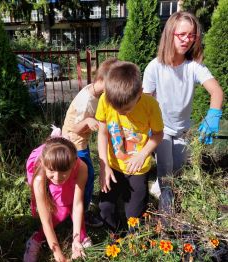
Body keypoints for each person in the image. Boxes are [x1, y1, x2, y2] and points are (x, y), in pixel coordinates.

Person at [142, 11, 224, 217]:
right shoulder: (154, 67)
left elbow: (216, 91)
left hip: (183, 130)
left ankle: (162, 190)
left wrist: (213, 114)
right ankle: (167, 215)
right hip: (160, 130)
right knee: (165, 172)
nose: (187, 40)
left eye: (192, 36)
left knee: (177, 170)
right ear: (170, 34)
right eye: (183, 35)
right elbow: (145, 101)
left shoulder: (193, 66)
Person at [96, 61, 164, 232]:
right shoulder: (105, 99)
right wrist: (103, 165)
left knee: (134, 215)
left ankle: (134, 243)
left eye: (125, 109)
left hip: (137, 169)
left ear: (139, 93)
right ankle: (116, 238)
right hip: (113, 165)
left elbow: (158, 134)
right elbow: (103, 133)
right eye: (116, 109)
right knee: (105, 208)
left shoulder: (151, 105)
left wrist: (143, 155)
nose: (120, 113)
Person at [62, 58, 119, 227]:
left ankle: (77, 205)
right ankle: (82, 212)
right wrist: (88, 121)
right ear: (103, 80)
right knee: (87, 177)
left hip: (81, 142)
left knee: (84, 177)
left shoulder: (95, 91)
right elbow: (76, 128)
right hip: (75, 143)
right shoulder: (86, 100)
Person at [24, 131, 92, 262]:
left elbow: (77, 204)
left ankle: (80, 237)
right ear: (44, 165)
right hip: (44, 171)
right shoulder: (39, 177)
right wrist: (58, 255)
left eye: (63, 172)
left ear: (73, 165)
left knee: (68, 203)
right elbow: (46, 220)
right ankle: (35, 239)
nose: (57, 177)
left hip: (64, 168)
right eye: (52, 172)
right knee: (57, 211)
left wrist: (75, 239)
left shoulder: (81, 167)